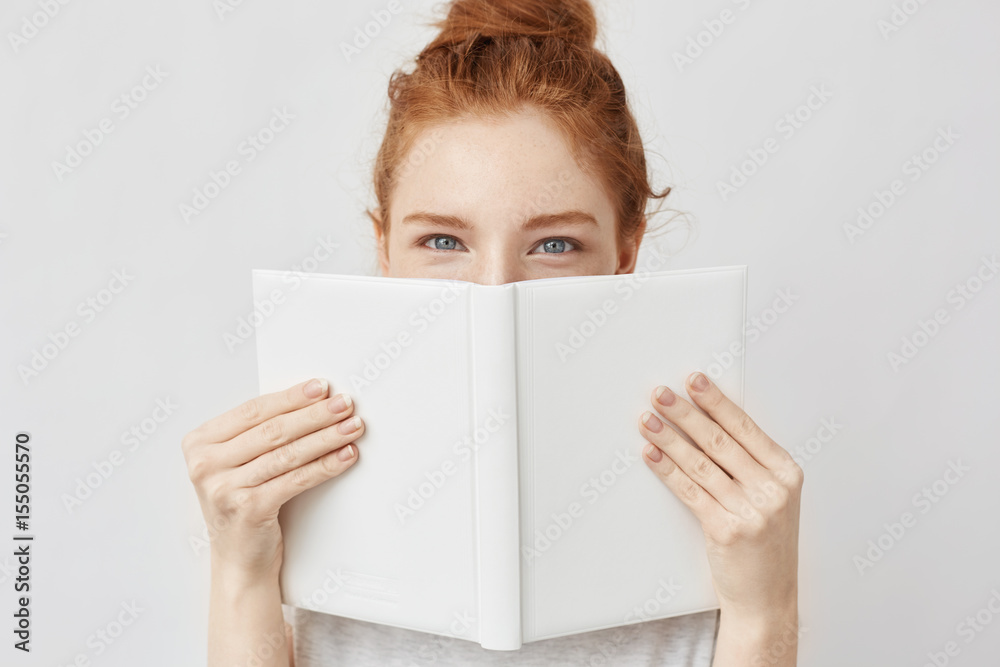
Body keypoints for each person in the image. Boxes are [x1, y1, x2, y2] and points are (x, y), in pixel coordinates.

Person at [181, 0, 803, 665]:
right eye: (444, 239)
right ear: (384, 248)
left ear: (625, 253)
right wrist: (240, 573)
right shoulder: (306, 501)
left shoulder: (718, 518)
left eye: (555, 243)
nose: (495, 290)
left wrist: (766, 608)